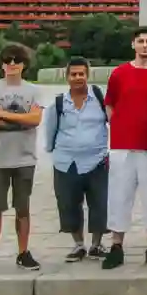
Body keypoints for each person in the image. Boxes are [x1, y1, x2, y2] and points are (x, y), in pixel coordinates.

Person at [102, 26, 147, 270]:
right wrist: (122, 125)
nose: (144, 45)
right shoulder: (119, 73)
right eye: (140, 41)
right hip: (122, 145)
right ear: (133, 44)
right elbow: (109, 105)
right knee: (119, 196)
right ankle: (116, 245)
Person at [0, 44, 44, 274]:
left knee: (22, 208)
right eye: (7, 60)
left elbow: (35, 119)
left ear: (24, 64)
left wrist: (3, 114)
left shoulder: (34, 90)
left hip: (25, 158)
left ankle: (23, 252)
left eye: (16, 60)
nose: (12, 64)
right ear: (1, 64)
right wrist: (20, 120)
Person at [44, 57, 108, 262]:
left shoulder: (99, 98)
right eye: (74, 74)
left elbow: (112, 120)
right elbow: (50, 129)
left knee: (100, 203)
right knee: (69, 204)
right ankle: (78, 244)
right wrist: (51, 151)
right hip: (66, 162)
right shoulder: (58, 103)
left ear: (87, 75)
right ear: (67, 77)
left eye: (81, 73)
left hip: (97, 160)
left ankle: (97, 245)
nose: (78, 77)